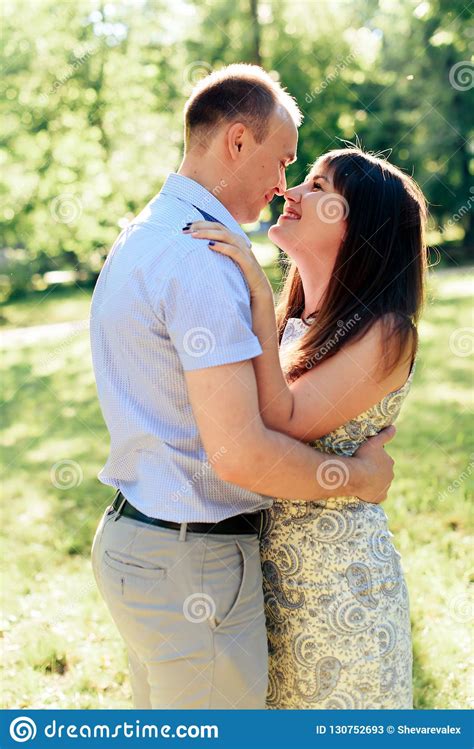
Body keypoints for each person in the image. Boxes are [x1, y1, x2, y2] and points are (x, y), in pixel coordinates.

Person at [89, 65, 396, 710]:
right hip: (188, 560)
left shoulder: (148, 233)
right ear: (236, 142)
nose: (284, 184)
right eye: (283, 162)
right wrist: (358, 480)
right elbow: (242, 454)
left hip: (149, 546)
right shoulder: (201, 259)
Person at [186, 146, 427, 709]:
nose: (292, 191)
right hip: (266, 583)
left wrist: (255, 286)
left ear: (357, 226)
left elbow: (279, 418)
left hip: (340, 592)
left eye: (319, 187)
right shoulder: (296, 325)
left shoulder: (387, 332)